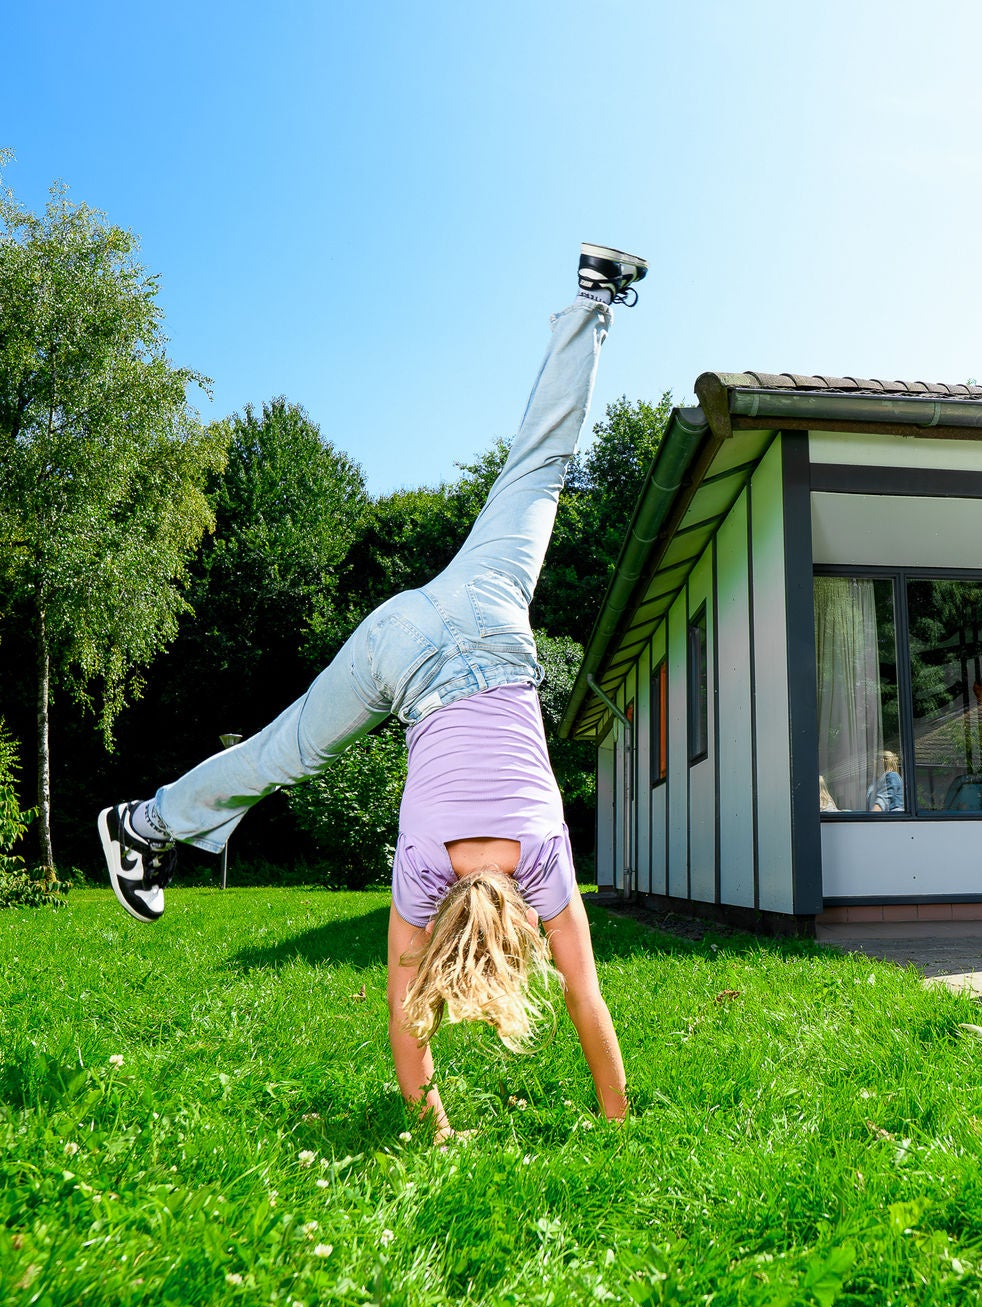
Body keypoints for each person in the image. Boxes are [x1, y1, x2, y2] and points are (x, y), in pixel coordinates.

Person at [96, 245, 650, 1139]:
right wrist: (438, 1129)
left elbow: (588, 1000)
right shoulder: (425, 869)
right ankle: (143, 825)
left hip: (492, 613)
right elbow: (405, 1017)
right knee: (286, 748)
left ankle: (596, 301)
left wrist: (618, 1118)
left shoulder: (544, 857)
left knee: (538, 465)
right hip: (404, 648)